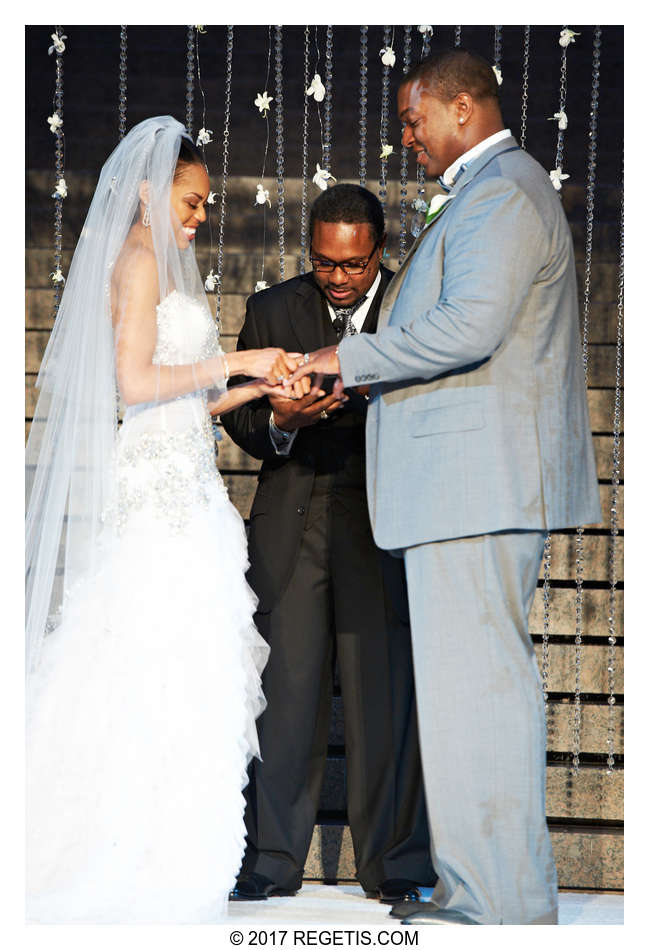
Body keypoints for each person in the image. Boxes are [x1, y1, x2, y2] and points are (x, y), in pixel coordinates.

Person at [288, 50, 602, 925]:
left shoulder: (501, 191)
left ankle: (500, 900)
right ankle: (478, 889)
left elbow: (467, 326)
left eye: (412, 117)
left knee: (482, 693)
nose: (406, 134)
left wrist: (342, 358)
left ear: (461, 108)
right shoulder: (489, 190)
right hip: (466, 487)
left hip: (479, 484)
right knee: (468, 695)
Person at [25, 116, 300, 924]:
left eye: (205, 202)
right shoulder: (139, 262)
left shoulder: (164, 267)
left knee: (187, 658)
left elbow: (186, 399)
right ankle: (131, 847)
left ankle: (173, 842)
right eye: (190, 199)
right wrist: (240, 357)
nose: (201, 215)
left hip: (187, 480)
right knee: (149, 655)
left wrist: (259, 390)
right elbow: (136, 384)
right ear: (147, 192)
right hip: (155, 492)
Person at [222, 184, 435, 904]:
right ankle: (272, 860)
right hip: (294, 508)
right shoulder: (271, 308)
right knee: (281, 696)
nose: (338, 277)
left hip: (382, 514)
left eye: (353, 264)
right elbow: (244, 426)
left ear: (379, 251)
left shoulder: (417, 301)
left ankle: (397, 864)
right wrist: (283, 418)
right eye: (323, 262)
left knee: (384, 694)